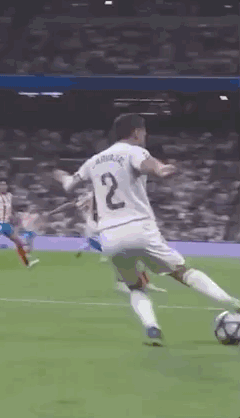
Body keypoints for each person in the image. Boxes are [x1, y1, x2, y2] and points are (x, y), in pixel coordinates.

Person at [53, 113, 240, 346]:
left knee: (135, 286)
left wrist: (61, 175)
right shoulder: (134, 152)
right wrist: (163, 169)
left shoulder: (94, 161)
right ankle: (233, 303)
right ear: (136, 132)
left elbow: (69, 184)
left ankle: (152, 329)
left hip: (110, 236)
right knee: (182, 272)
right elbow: (151, 166)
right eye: (144, 131)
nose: (145, 135)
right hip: (140, 229)